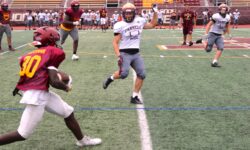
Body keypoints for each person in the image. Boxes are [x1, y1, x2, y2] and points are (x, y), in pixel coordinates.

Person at [0, 26, 102, 147]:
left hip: (40, 92)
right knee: (22, 134)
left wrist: (17, 87)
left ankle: (82, 140)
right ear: (49, 41)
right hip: (37, 97)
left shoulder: (27, 56)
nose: (57, 43)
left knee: (68, 112)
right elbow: (54, 81)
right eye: (56, 41)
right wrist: (66, 87)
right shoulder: (52, 52)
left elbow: (27, 76)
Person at [102, 3, 158, 104]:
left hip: (136, 53)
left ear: (134, 13)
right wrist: (119, 55)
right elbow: (115, 42)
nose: (128, 16)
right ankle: (110, 78)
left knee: (142, 74)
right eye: (126, 14)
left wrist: (155, 12)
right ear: (123, 14)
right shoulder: (119, 25)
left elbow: (153, 24)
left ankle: (134, 96)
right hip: (125, 53)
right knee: (123, 74)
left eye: (130, 13)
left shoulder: (139, 20)